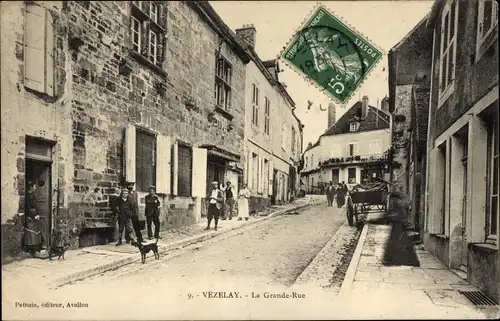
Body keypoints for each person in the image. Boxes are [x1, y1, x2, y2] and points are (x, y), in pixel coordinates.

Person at [23, 181, 44, 257]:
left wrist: (37, 214)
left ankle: (36, 249)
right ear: (31, 187)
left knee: (36, 232)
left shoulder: (33, 196)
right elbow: (28, 208)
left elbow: (36, 206)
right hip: (30, 217)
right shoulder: (27, 197)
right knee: (31, 233)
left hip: (35, 216)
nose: (35, 188)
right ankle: (30, 250)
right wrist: (33, 215)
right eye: (34, 186)